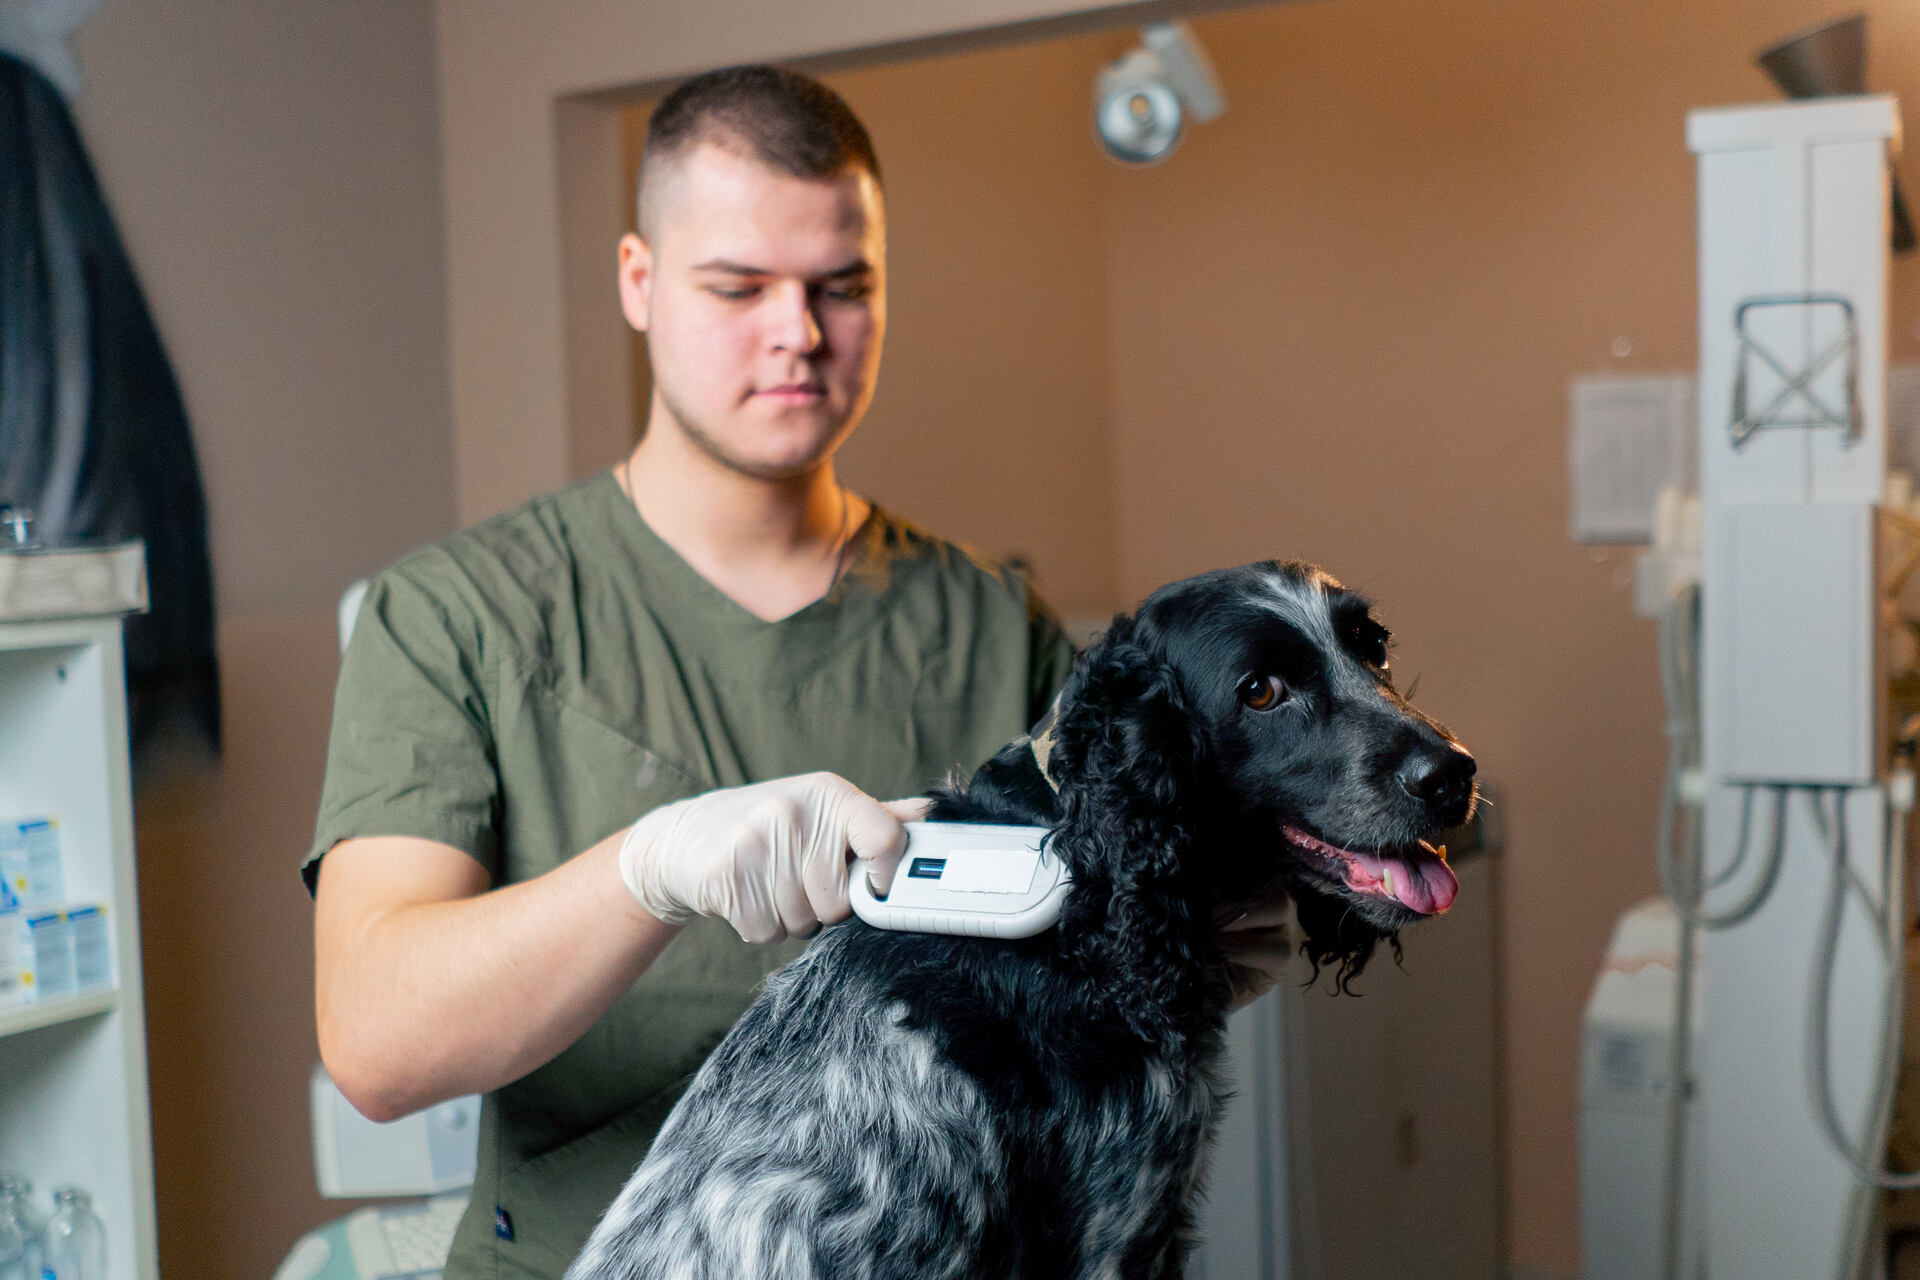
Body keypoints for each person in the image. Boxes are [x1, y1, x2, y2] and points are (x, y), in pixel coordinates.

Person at [307, 65, 1289, 1280]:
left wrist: (1183, 935)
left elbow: (1077, 1015)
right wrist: (649, 868)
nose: (800, 332)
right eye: (738, 287)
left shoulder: (990, 625)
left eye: (843, 287)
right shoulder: (459, 616)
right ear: (639, 281)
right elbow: (376, 1040)